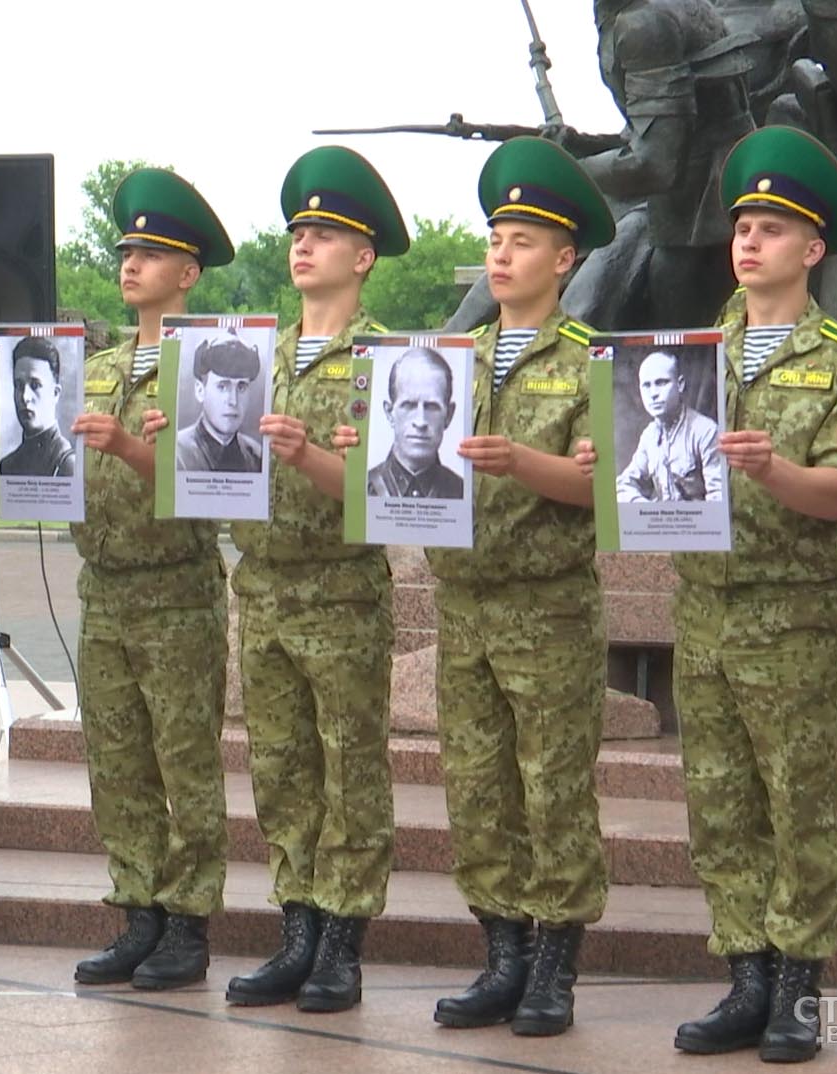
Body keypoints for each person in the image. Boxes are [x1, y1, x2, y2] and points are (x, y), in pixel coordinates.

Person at [602, 125, 837, 1064]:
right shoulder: (685, 356)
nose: (748, 240)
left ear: (814, 248)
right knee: (717, 806)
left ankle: (800, 986)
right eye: (743, 224)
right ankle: (745, 976)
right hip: (705, 613)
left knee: (798, 806)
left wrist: (773, 470)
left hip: (790, 618)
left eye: (773, 227)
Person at [344, 137, 615, 1037]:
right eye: (495, 238)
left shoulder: (591, 363)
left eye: (523, 241)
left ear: (565, 259)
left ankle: (553, 967)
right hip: (464, 608)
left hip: (548, 611)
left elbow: (610, 493)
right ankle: (500, 953)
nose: (501, 255)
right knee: (479, 790)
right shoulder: (449, 361)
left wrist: (530, 464)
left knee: (554, 791)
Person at [0, 167, 233, 991]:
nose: (131, 265)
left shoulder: (214, 365)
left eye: (152, 253)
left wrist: (127, 447)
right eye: (126, 250)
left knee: (183, 763)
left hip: (177, 587)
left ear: (188, 273)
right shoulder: (95, 363)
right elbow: (52, 466)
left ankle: (189, 922)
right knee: (116, 761)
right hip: (107, 588)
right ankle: (138, 911)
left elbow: (214, 483)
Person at [211, 146, 410, 1013]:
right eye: (298, 231)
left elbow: (402, 492)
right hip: (264, 589)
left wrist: (317, 460)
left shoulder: (390, 361)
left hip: (341, 591)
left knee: (349, 770)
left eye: (324, 233)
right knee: (283, 771)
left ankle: (343, 942)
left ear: (362, 258)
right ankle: (297, 929)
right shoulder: (254, 355)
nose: (304, 245)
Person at [616, 350, 724, 502]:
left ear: (680, 384)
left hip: (698, 523)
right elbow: (624, 485)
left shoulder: (706, 431)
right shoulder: (650, 436)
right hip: (659, 524)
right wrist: (647, 511)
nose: (653, 393)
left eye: (661, 383)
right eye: (646, 385)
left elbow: (718, 498)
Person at [366, 347, 464, 499]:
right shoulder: (363, 488)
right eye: (409, 405)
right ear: (389, 412)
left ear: (449, 415)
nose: (420, 421)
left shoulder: (464, 492)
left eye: (432, 406)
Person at [174, 336, 265, 473]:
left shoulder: (256, 455)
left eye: (241, 387)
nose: (233, 401)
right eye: (222, 387)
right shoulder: (177, 453)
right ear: (200, 391)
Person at [0, 335, 76, 476]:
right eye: (19, 385)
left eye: (35, 385)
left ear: (55, 393)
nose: (25, 397)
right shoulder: (6, 465)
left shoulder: (67, 464)